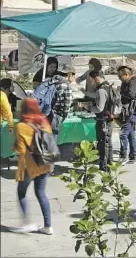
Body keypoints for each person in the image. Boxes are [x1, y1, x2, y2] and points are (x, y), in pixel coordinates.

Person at [10, 98, 53, 235]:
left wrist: (15, 147)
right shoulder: (44, 121)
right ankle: (48, 226)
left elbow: (21, 151)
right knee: (41, 193)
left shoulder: (22, 126)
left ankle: (26, 223)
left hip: (30, 165)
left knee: (21, 192)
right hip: (45, 162)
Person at [83, 71, 113, 172]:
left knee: (102, 143)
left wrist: (89, 107)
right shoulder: (108, 87)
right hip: (108, 119)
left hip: (103, 120)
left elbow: (99, 108)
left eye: (92, 82)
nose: (92, 84)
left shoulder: (101, 90)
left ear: (97, 79)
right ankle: (109, 164)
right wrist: (84, 92)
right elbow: (95, 95)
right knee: (108, 142)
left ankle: (103, 167)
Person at [118, 66, 136, 165]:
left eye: (120, 75)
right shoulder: (125, 82)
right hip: (127, 110)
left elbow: (131, 95)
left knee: (123, 134)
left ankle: (123, 156)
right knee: (131, 134)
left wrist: (121, 95)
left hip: (133, 111)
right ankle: (133, 156)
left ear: (127, 75)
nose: (119, 77)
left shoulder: (133, 82)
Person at [43, 71, 73, 135]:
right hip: (56, 115)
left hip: (45, 113)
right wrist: (64, 115)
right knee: (52, 138)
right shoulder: (66, 85)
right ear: (69, 74)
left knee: (45, 137)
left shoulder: (49, 81)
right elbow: (67, 104)